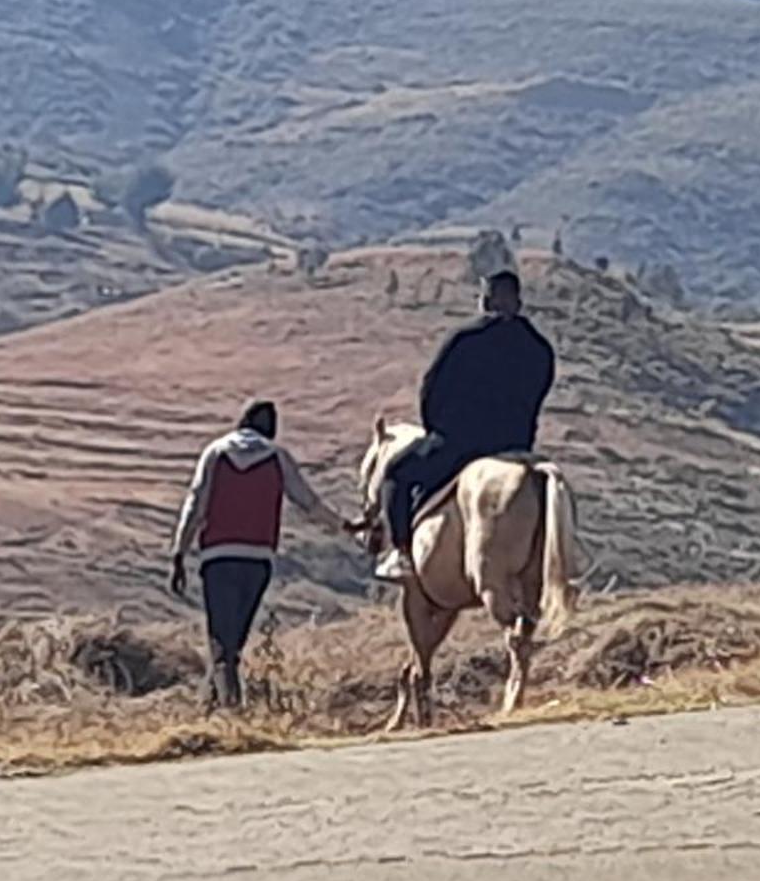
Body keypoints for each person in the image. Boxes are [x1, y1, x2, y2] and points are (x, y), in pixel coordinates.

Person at [374, 269, 556, 582]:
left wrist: (437, 429)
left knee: (396, 474)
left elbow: (432, 388)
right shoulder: (540, 347)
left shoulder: (466, 339)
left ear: (488, 299)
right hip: (515, 446)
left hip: (459, 442)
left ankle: (400, 554)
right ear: (518, 301)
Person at [169, 398, 353, 707]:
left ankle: (231, 712)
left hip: (219, 556)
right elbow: (308, 503)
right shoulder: (278, 457)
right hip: (258, 559)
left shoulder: (216, 452)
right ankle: (211, 710)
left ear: (241, 422)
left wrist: (179, 552)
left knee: (221, 643)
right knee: (233, 642)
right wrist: (344, 525)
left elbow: (196, 502)